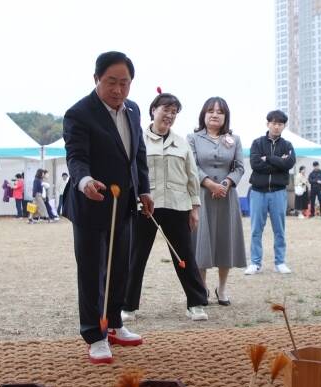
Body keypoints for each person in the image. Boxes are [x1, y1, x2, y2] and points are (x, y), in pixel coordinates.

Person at [63, 51, 153, 364]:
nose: (117, 90)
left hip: (124, 204)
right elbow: (76, 156)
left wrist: (144, 191)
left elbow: (138, 154)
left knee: (119, 267)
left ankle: (113, 323)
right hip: (91, 203)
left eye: (124, 83)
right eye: (111, 82)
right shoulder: (79, 113)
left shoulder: (134, 110)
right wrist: (84, 180)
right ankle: (94, 334)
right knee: (92, 271)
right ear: (96, 79)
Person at [122, 92, 208, 322]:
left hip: (177, 205)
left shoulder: (182, 143)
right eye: (165, 110)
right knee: (136, 255)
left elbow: (192, 177)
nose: (169, 115)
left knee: (185, 255)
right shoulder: (136, 138)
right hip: (145, 206)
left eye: (174, 112)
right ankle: (128, 305)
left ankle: (196, 303)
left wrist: (194, 208)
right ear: (153, 110)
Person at [188, 97, 245, 305]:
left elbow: (239, 167)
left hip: (227, 198)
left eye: (220, 112)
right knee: (202, 241)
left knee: (225, 241)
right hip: (202, 196)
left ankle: (222, 288)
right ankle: (202, 288)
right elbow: (192, 165)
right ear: (204, 114)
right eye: (211, 110)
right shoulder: (192, 138)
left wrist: (227, 183)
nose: (215, 114)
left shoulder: (234, 139)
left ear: (225, 116)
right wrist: (210, 185)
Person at [245, 110, 296, 275]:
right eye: (273, 123)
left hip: (278, 192)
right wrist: (278, 162)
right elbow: (255, 164)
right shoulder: (257, 143)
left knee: (279, 229)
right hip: (258, 192)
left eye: (280, 124)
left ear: (284, 126)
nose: (276, 126)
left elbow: (289, 163)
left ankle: (280, 262)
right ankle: (255, 262)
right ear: (267, 124)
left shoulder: (287, 145)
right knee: (256, 229)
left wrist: (269, 159)